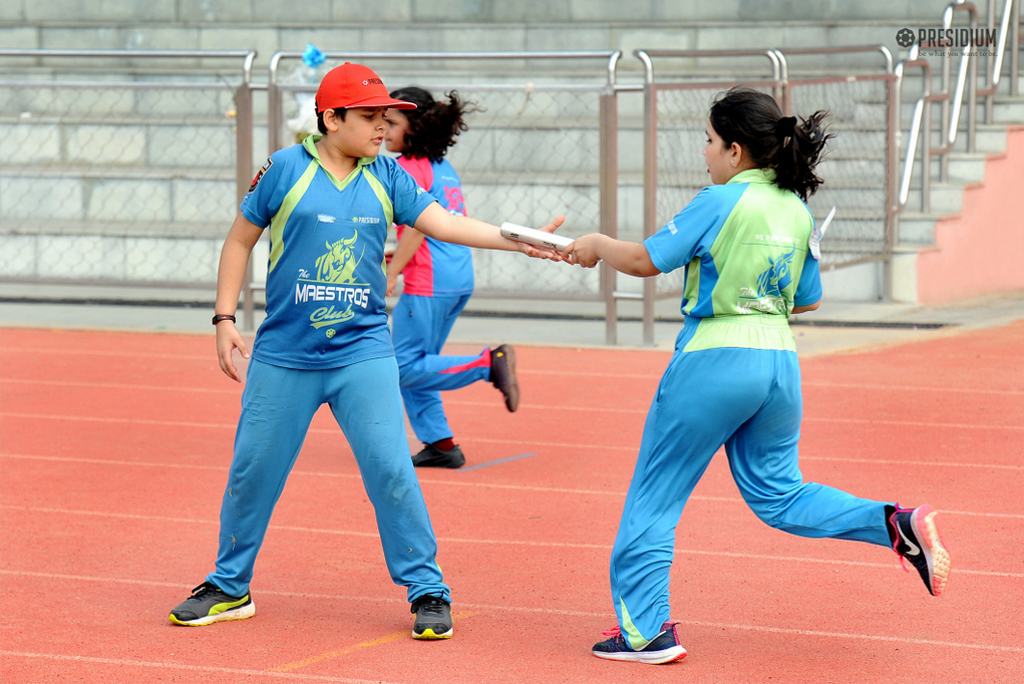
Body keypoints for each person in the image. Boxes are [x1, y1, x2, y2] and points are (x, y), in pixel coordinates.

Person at [167, 62, 564, 640]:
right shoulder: (284, 170)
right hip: (284, 356)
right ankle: (230, 585)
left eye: (387, 118)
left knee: (392, 471)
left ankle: (428, 590)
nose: (383, 128)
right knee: (252, 473)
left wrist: (522, 241)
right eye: (370, 117)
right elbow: (240, 240)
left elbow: (446, 224)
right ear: (331, 118)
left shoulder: (387, 175)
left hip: (363, 353)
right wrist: (225, 318)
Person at [563, 87, 952, 665]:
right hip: (778, 366)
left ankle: (645, 633)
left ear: (737, 151)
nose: (705, 152)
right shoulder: (797, 209)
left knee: (654, 500)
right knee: (780, 495)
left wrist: (595, 244)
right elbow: (809, 299)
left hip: (713, 361)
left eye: (710, 141)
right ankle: (891, 523)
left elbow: (645, 261)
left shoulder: (718, 200)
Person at [382, 87, 514, 470]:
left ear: (416, 127)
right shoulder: (442, 167)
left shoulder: (407, 166)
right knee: (419, 363)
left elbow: (418, 231)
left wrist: (391, 271)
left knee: (403, 366)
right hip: (456, 275)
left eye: (391, 122)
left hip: (431, 281)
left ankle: (488, 364)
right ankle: (440, 444)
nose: (383, 129)